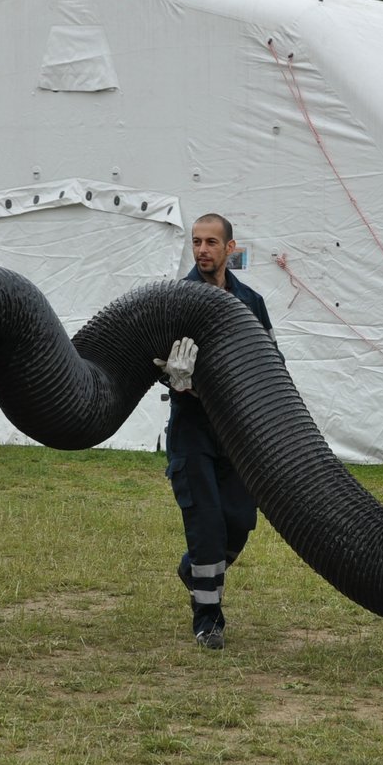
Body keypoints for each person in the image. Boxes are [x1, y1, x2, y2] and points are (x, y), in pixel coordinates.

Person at [156, 213, 275, 650]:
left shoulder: (252, 302)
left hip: (238, 432)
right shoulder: (176, 300)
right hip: (193, 429)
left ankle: (194, 571)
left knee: (239, 522)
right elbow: (154, 362)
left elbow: (270, 359)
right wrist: (175, 378)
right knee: (206, 524)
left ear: (230, 249)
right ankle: (209, 619)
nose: (202, 250)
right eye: (196, 242)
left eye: (211, 242)